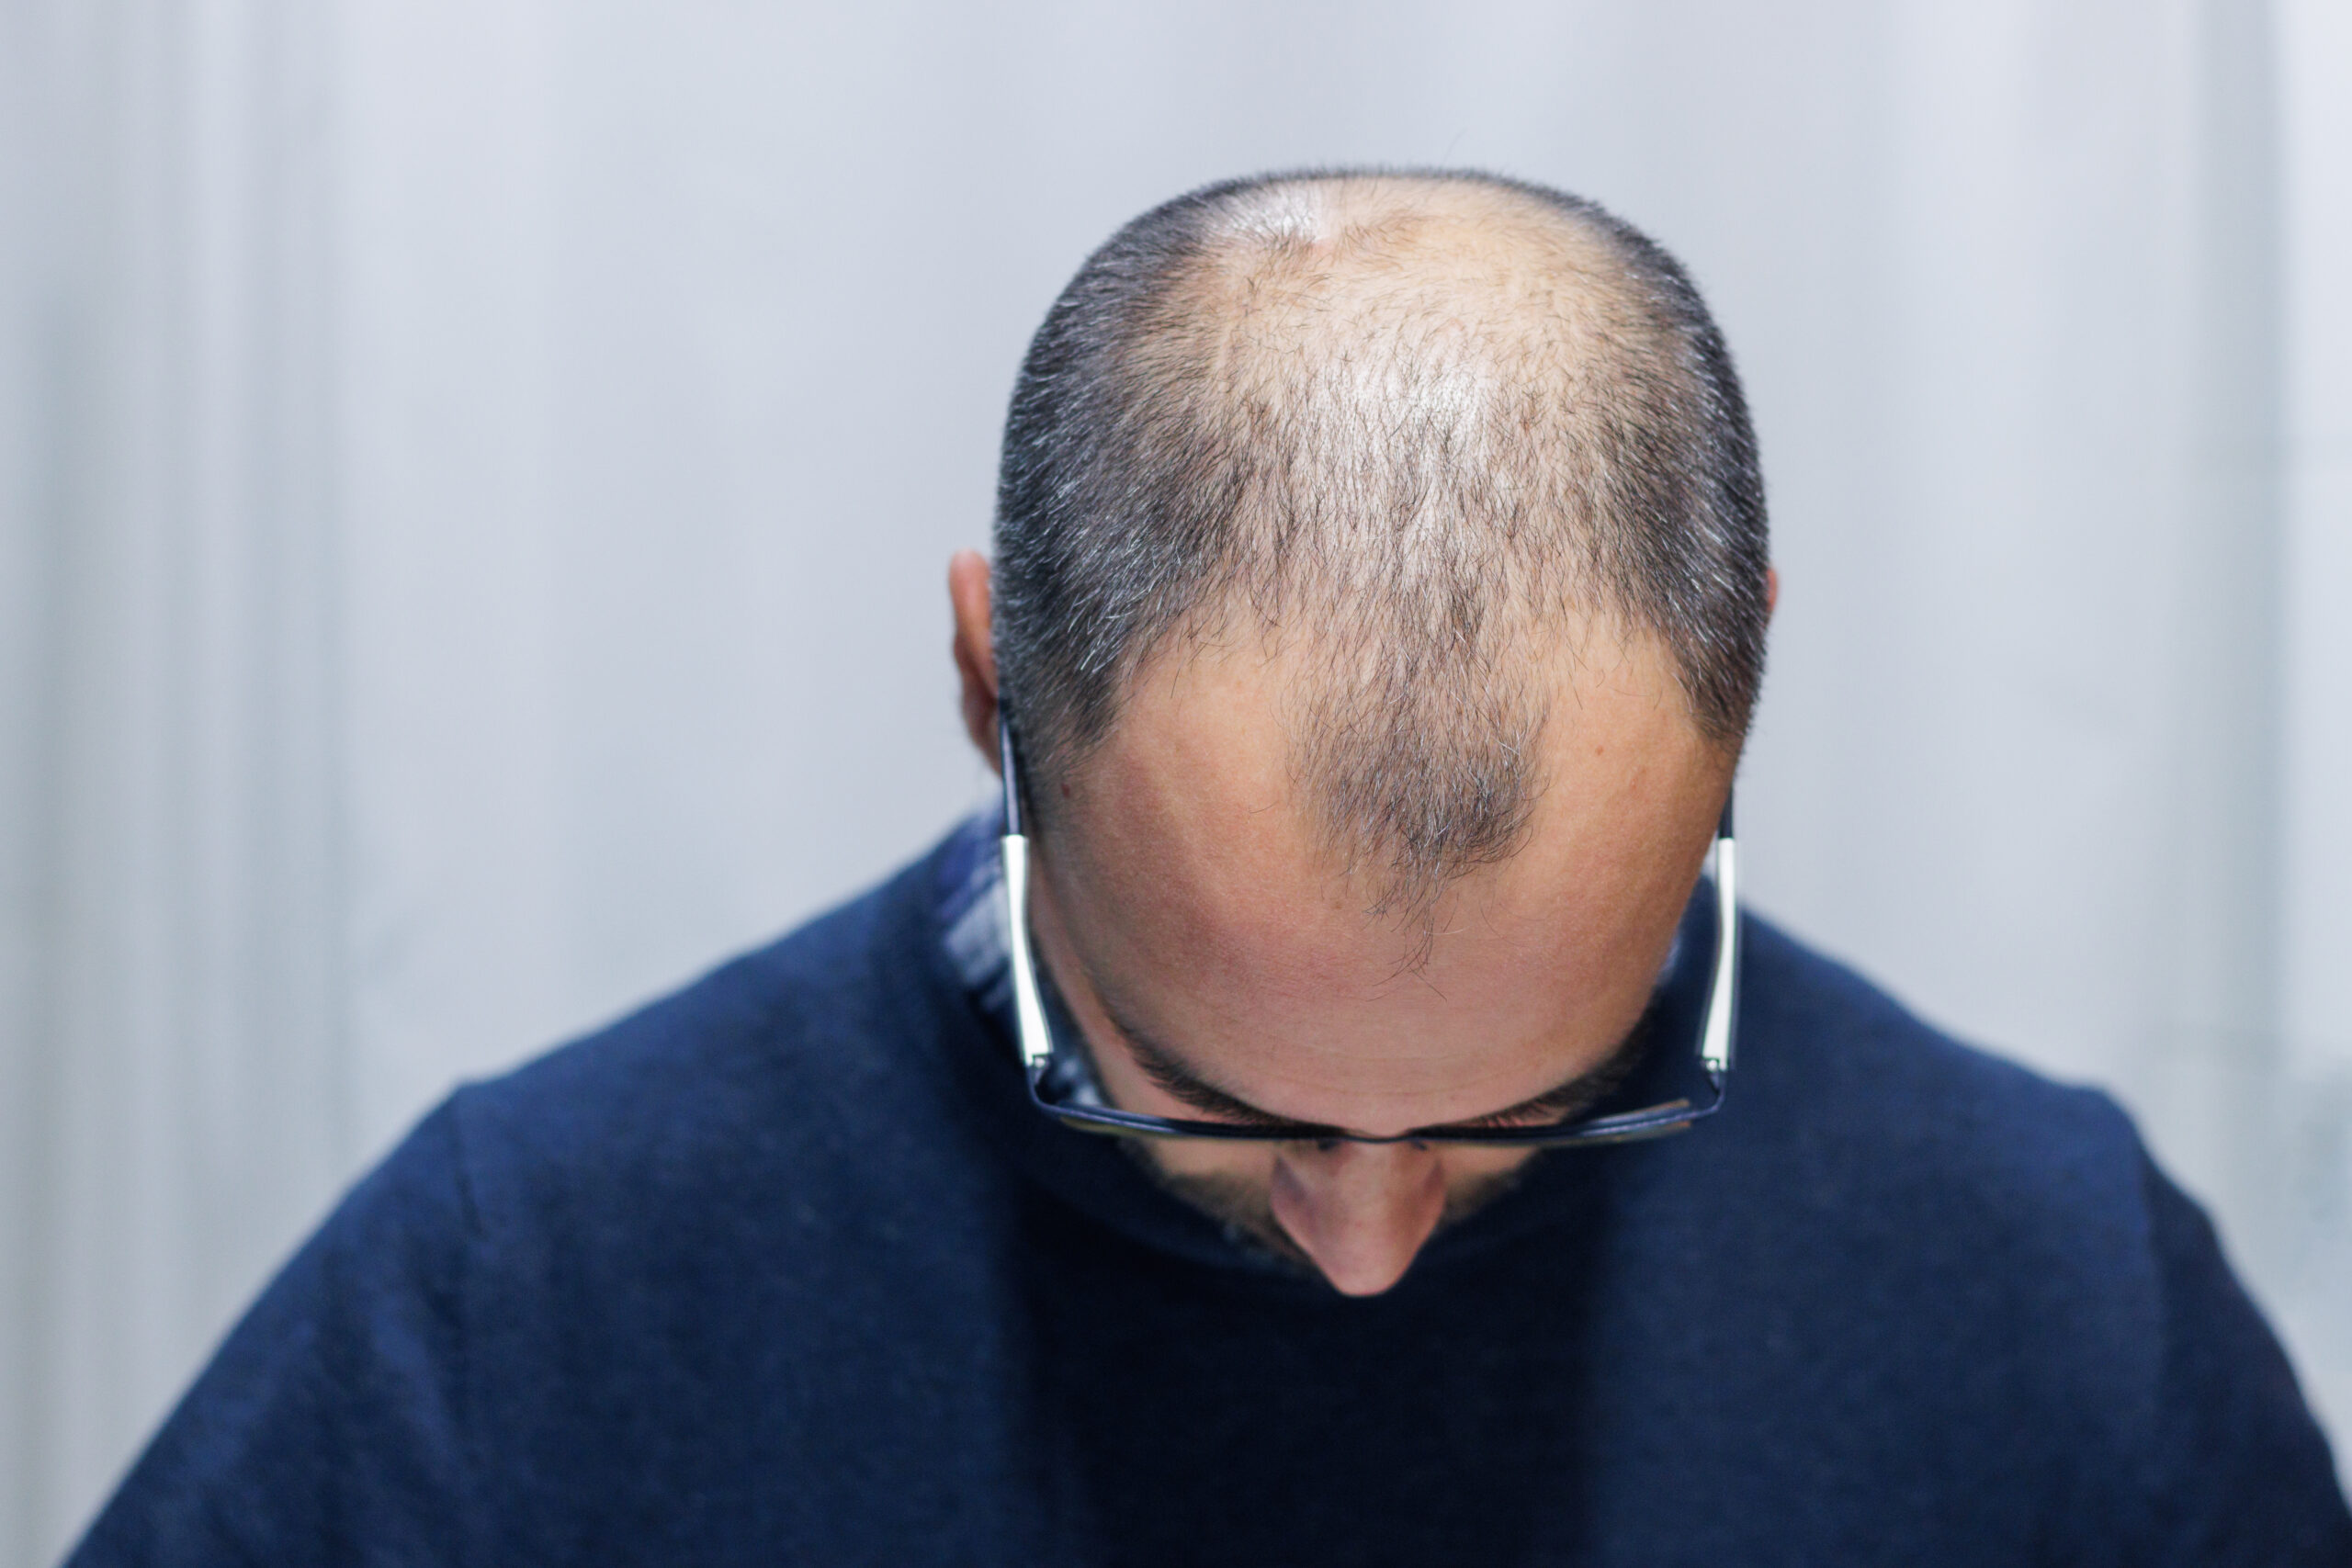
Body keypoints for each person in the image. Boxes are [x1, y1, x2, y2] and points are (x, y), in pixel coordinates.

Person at [68, 169, 2351, 1566]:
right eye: (1207, 1097)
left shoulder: (2052, 1300)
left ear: (1736, 699)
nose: (1359, 1257)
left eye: (1523, 1103)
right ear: (989, 688)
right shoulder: (526, 1303)